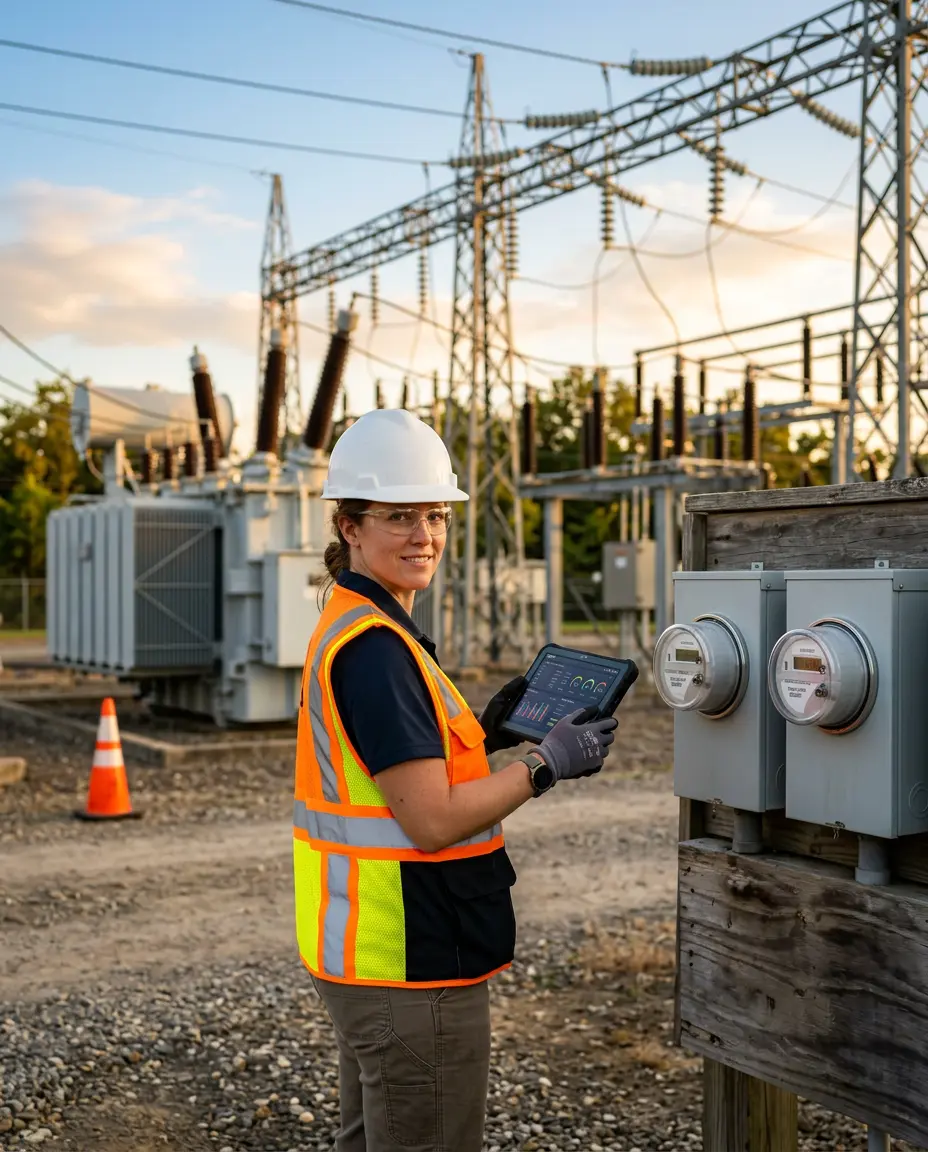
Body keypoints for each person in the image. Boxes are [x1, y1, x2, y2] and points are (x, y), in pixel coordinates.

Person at [293, 408, 619, 1152]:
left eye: (434, 514)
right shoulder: (374, 649)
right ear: (349, 526)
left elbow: (387, 768)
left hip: (367, 957)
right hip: (410, 962)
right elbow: (432, 820)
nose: (424, 535)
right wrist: (544, 764)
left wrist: (488, 730)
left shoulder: (357, 622)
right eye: (399, 516)